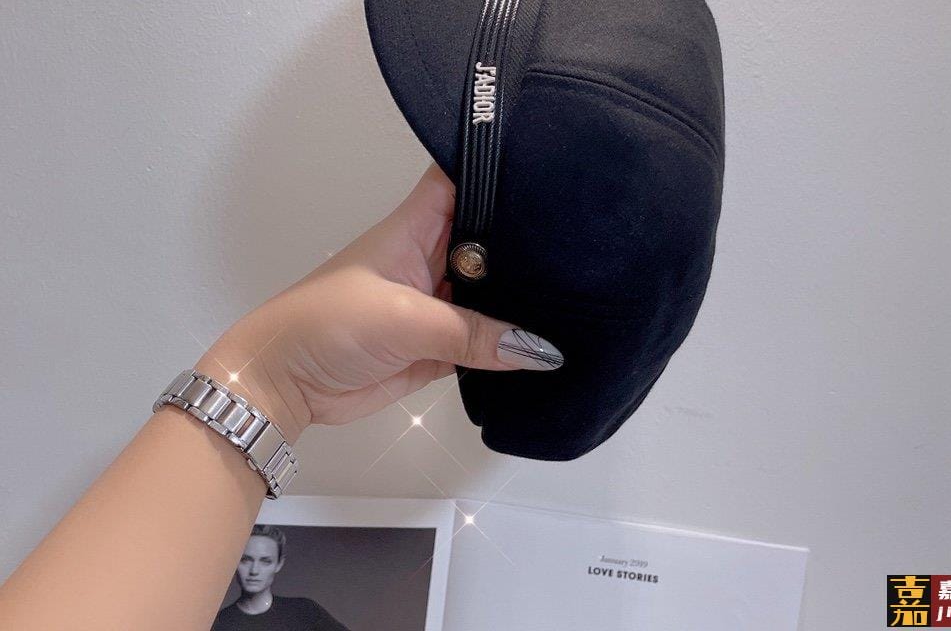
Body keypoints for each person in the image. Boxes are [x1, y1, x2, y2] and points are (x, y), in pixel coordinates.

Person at [0, 161, 564, 630]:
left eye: (260, 559)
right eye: (249, 559)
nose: (251, 569)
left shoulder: (306, 615)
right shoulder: (214, 615)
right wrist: (275, 381)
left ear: (279, 563)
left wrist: (277, 379)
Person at [211, 524, 349, 630]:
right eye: (245, 560)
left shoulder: (304, 611)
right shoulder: (219, 623)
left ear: (279, 564)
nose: (254, 570)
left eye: (265, 561)